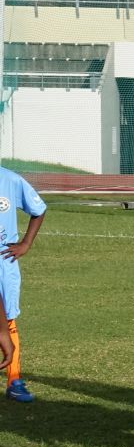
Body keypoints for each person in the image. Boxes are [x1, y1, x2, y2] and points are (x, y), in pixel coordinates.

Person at [0, 163, 46, 403]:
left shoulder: (10, 180)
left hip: (4, 262)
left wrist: (26, 243)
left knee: (7, 319)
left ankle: (14, 381)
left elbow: (38, 209)